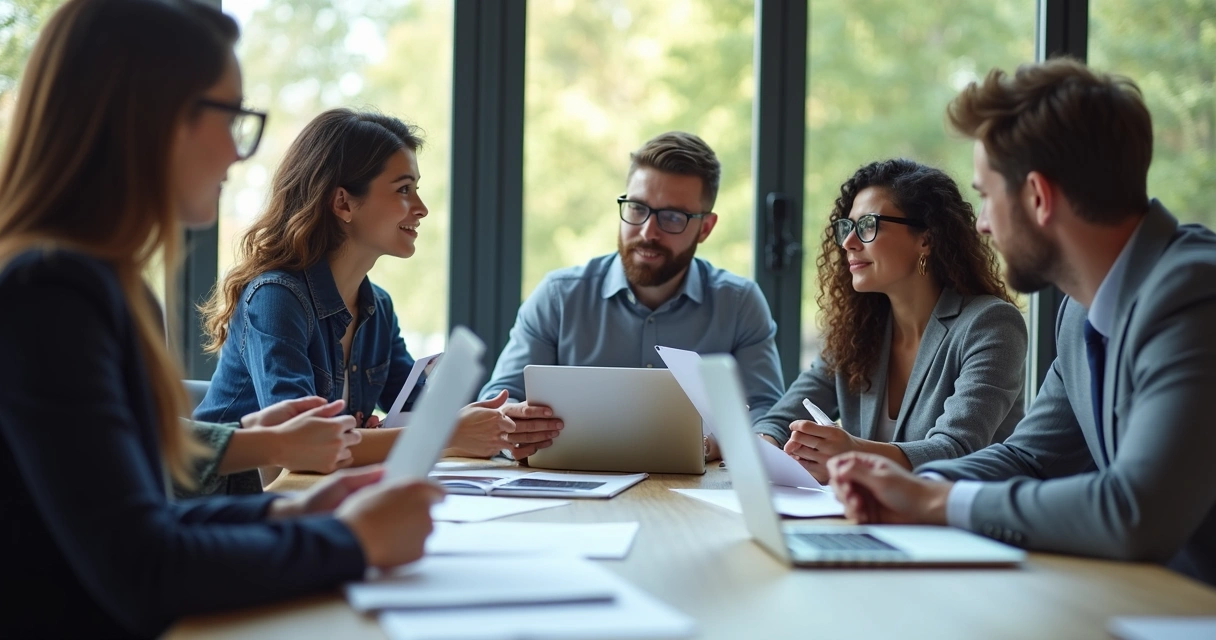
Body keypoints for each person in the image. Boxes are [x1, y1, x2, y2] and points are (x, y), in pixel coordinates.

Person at [0, 1, 442, 636]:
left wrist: (288, 518)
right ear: (151, 119)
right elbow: (141, 567)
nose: (240, 155)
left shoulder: (106, 286)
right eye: (232, 118)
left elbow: (142, 523)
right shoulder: (50, 295)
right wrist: (353, 543)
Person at [826, 58, 1216, 586]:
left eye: (986, 196)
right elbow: (1029, 457)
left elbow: (1135, 511)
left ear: (1037, 197)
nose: (981, 224)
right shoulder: (1080, 313)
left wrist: (938, 498)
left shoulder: (1195, 294)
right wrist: (905, 483)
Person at [194, 108, 561, 494]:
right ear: (343, 204)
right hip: (226, 515)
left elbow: (418, 411)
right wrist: (451, 431)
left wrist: (498, 421)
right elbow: (301, 449)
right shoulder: (275, 299)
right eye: (404, 189)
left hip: (309, 504)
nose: (421, 208)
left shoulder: (377, 307)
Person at [479, 132, 785, 456]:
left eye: (672, 218)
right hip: (573, 490)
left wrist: (713, 445)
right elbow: (502, 398)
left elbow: (768, 413)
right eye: (637, 208)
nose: (647, 232)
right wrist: (514, 425)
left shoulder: (739, 304)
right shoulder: (559, 297)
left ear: (705, 228)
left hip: (696, 494)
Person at [748, 159, 1026, 482]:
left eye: (867, 225)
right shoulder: (855, 331)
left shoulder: (992, 325)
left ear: (926, 238)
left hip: (961, 524)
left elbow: (955, 450)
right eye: (847, 227)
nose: (849, 243)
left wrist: (853, 452)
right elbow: (779, 420)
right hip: (865, 519)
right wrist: (763, 449)